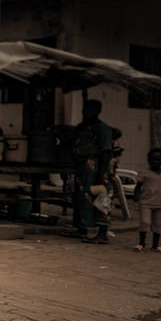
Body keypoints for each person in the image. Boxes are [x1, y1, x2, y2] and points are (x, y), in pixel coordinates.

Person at [72, 99, 115, 244]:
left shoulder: (101, 128)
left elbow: (106, 152)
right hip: (84, 170)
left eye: (90, 109)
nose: (86, 112)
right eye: (85, 109)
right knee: (83, 198)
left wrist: (101, 174)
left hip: (98, 170)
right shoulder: (83, 127)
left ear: (97, 111)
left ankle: (102, 233)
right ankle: (82, 228)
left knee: (102, 199)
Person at [134, 148, 161, 253]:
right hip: (146, 202)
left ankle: (155, 245)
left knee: (158, 224)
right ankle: (141, 243)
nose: (154, 162)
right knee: (145, 222)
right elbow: (138, 186)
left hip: (160, 203)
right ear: (148, 160)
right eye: (152, 159)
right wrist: (136, 196)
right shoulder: (144, 173)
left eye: (158, 159)